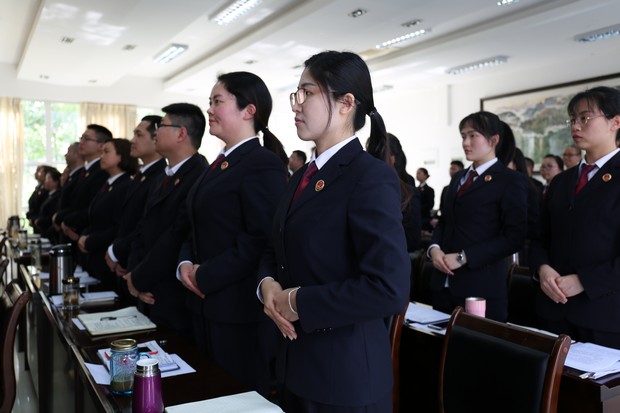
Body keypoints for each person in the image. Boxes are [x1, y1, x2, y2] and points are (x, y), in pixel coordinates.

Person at [259, 50, 410, 413]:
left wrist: (297, 302)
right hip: (295, 365)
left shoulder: (369, 176)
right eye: (296, 94)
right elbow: (274, 248)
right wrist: (267, 286)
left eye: (308, 93)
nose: (296, 104)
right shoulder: (302, 176)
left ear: (346, 103)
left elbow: (388, 289)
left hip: (343, 377)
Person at [175, 71, 288, 395]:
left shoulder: (261, 163)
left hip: (237, 313)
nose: (209, 109)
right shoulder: (220, 162)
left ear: (248, 110)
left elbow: (260, 239)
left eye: (218, 101)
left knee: (235, 397)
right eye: (210, 102)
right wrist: (184, 265)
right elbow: (194, 225)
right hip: (203, 304)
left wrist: (204, 275)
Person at [530, 86, 620, 349]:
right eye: (572, 119)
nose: (576, 126)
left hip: (603, 315)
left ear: (615, 122)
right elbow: (539, 237)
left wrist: (584, 281)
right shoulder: (561, 181)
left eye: (585, 118)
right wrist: (542, 268)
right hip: (552, 309)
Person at [428, 111, 527, 322]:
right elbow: (446, 221)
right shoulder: (458, 178)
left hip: (480, 287)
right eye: (463, 136)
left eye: (473, 136)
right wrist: (434, 249)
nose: (466, 142)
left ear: (494, 140)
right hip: (443, 283)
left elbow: (514, 237)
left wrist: (464, 257)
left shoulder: (509, 180)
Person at [122, 103, 208, 337]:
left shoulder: (199, 175)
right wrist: (133, 275)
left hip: (173, 294)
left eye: (162, 126)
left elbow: (176, 235)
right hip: (147, 286)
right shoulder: (164, 176)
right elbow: (142, 228)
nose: (156, 132)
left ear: (181, 134)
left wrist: (139, 278)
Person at [105, 116, 166, 278]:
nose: (132, 140)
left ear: (156, 138)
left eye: (139, 135)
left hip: (140, 264)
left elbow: (146, 226)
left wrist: (118, 252)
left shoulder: (160, 176)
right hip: (126, 259)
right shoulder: (141, 175)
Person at [75, 139, 138, 290]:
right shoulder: (109, 184)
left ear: (121, 156)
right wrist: (84, 236)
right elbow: (93, 217)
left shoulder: (125, 185)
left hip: (108, 258)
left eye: (106, 152)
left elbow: (119, 226)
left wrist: (90, 241)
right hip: (95, 256)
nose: (101, 156)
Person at [367, 132, 421, 252]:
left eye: (377, 155)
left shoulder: (407, 189)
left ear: (393, 158)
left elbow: (412, 238)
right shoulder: (365, 186)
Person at [57, 124, 112, 241]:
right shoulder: (87, 171)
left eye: (86, 139)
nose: (81, 142)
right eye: (81, 138)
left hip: (87, 236)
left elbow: (93, 209)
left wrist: (67, 220)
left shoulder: (102, 171)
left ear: (101, 146)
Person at [33, 167, 62, 243]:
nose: (45, 182)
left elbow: (51, 214)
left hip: (51, 234)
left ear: (56, 182)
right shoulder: (50, 195)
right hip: (44, 231)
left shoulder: (57, 196)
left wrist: (39, 221)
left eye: (48, 179)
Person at [26, 165, 50, 231]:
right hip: (35, 220)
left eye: (40, 172)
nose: (37, 174)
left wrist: (35, 219)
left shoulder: (47, 190)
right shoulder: (39, 187)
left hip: (42, 222)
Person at [416, 167, 435, 232]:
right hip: (416, 216)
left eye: (419, 173)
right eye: (417, 173)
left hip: (424, 217)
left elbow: (430, 204)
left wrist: (419, 208)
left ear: (425, 176)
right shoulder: (415, 189)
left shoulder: (429, 190)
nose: (417, 175)